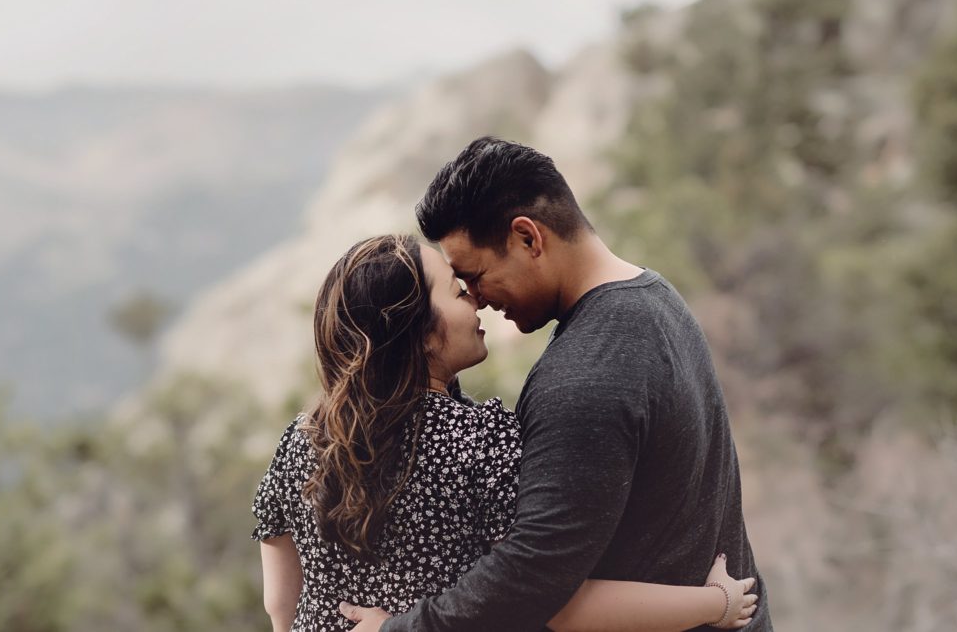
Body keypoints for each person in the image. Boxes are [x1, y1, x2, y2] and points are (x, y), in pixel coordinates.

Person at [341, 138, 772, 632]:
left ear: (529, 238)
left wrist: (394, 630)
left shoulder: (584, 374)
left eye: (476, 276)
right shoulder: (653, 298)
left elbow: (535, 575)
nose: (476, 300)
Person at [252, 234, 758, 632]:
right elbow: (559, 603)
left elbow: (280, 604)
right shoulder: (480, 440)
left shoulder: (304, 439)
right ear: (421, 334)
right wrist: (716, 603)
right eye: (456, 292)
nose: (476, 301)